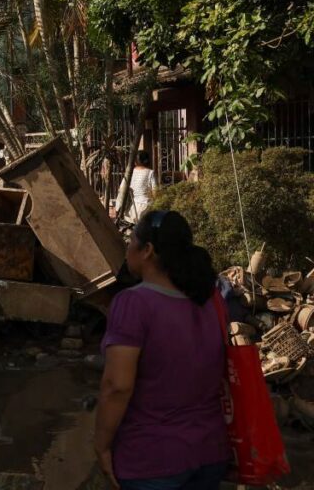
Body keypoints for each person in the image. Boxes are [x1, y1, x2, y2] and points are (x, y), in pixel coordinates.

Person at [95, 210, 229, 489]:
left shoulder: (133, 303)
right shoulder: (211, 299)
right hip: (211, 453)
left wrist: (102, 445)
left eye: (131, 239)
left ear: (147, 251)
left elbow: (117, 386)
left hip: (151, 460)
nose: (127, 247)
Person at [115, 151, 158, 223]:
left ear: (135, 161)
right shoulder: (150, 173)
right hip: (145, 208)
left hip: (130, 209)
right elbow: (155, 193)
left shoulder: (129, 173)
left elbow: (121, 190)